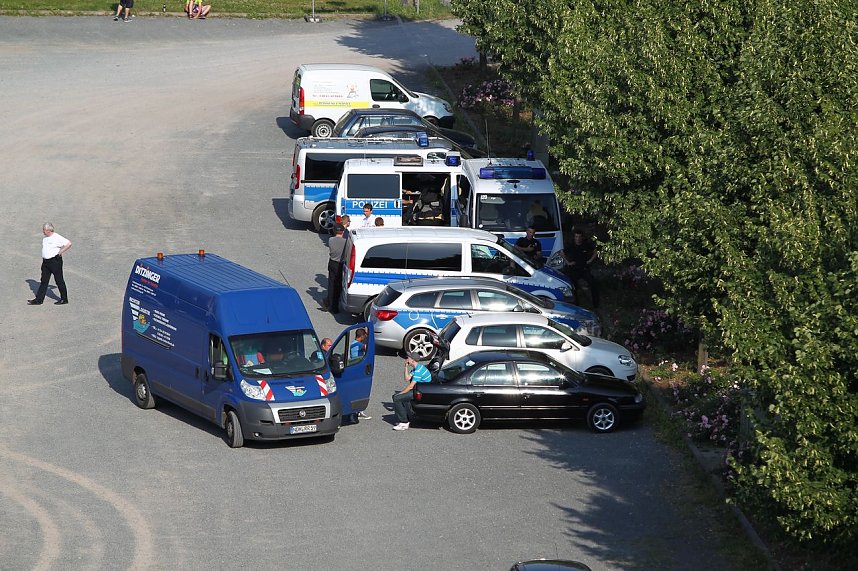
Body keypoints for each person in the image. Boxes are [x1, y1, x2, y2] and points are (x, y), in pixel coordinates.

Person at [28, 223, 72, 306]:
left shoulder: (57, 237)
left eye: (44, 230)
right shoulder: (45, 238)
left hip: (55, 262)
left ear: (48, 230)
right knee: (44, 281)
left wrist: (60, 252)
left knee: (59, 281)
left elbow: (69, 243)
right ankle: (39, 300)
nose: (43, 232)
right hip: (46, 263)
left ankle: (64, 299)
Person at [562, 229, 600, 308]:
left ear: (582, 237)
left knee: (593, 283)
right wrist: (568, 262)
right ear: (574, 237)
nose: (578, 238)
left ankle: (596, 304)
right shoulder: (571, 245)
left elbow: (595, 251)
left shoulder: (586, 245)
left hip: (584, 268)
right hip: (574, 269)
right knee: (573, 287)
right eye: (576, 237)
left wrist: (590, 260)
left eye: (579, 237)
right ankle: (576, 305)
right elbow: (562, 252)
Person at [392, 356, 432, 431]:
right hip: (418, 390)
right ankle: (404, 417)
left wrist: (400, 394)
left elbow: (410, 386)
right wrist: (405, 367)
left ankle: (404, 422)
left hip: (421, 392)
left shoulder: (418, 371)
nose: (407, 359)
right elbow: (407, 378)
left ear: (413, 360)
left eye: (408, 358)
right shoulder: (416, 368)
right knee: (398, 397)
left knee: (396, 398)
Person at [324, 224, 347, 313]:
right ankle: (335, 306)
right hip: (340, 264)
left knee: (331, 283)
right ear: (343, 232)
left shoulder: (331, 240)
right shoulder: (345, 242)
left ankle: (329, 302)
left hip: (332, 262)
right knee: (338, 285)